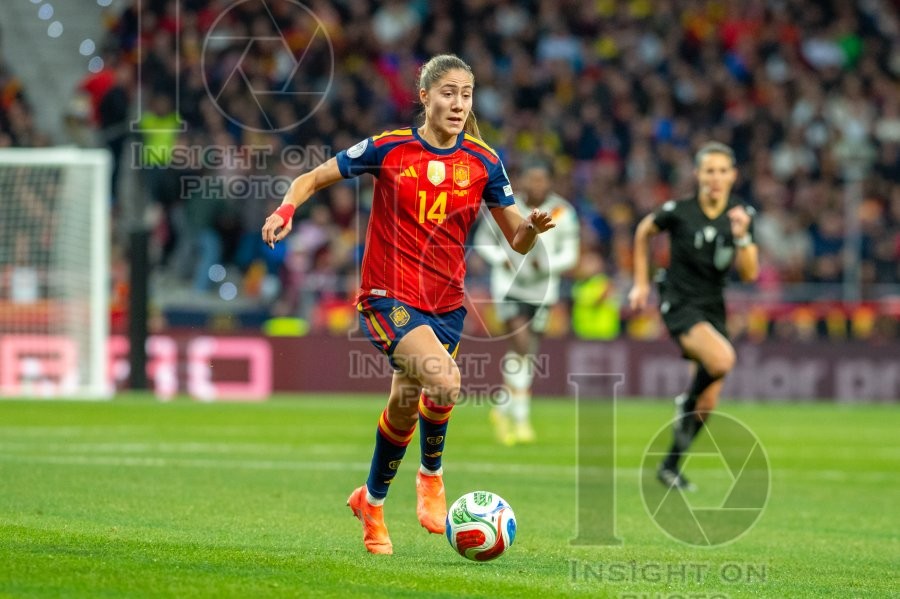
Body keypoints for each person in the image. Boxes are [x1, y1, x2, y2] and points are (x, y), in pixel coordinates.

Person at [261, 54, 555, 555]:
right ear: (425, 97)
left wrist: (530, 228)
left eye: (466, 94)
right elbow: (309, 179)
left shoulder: (483, 161)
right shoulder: (389, 149)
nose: (458, 103)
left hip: (447, 306)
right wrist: (286, 208)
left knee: (403, 406)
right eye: (448, 93)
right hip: (386, 297)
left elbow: (517, 243)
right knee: (445, 381)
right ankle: (431, 477)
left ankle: (371, 502)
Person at [628, 141, 758, 491]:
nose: (715, 178)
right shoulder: (679, 211)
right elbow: (644, 231)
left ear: (733, 175)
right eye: (709, 171)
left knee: (709, 401)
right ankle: (685, 400)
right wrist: (641, 283)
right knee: (723, 359)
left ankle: (670, 466)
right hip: (679, 300)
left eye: (722, 171)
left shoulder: (740, 214)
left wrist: (743, 236)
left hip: (713, 306)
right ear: (698, 174)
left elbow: (749, 273)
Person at [473, 159, 579, 445]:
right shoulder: (507, 206)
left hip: (544, 290)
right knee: (521, 345)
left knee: (526, 354)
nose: (536, 185)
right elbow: (484, 241)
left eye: (541, 179)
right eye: (531, 179)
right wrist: (502, 258)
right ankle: (520, 418)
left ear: (550, 182)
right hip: (508, 287)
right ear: (523, 181)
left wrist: (547, 266)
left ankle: (502, 405)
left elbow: (571, 253)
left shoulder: (563, 212)